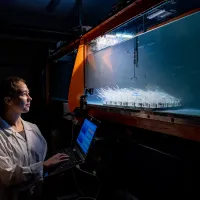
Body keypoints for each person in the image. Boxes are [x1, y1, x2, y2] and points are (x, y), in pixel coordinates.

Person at [0, 76, 69, 200]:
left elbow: (42, 157)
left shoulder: (33, 128)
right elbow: (7, 176)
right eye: (24, 94)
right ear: (8, 100)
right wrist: (44, 166)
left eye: (29, 93)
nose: (30, 98)